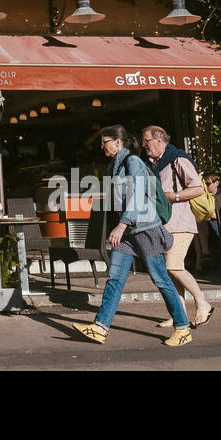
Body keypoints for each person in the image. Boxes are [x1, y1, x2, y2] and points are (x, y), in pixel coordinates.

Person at [73, 126, 192, 347]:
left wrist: (120, 225)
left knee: (160, 279)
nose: (102, 145)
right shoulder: (114, 165)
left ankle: (183, 328)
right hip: (129, 232)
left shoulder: (133, 162)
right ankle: (100, 327)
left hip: (144, 229)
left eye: (105, 141)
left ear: (118, 142)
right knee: (115, 279)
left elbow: (137, 195)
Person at [142, 126, 213, 328]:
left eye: (146, 141)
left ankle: (202, 304)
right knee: (171, 270)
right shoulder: (155, 163)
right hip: (165, 223)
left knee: (173, 266)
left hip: (181, 221)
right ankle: (178, 313)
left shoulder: (178, 159)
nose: (144, 145)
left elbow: (198, 188)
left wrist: (174, 196)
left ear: (159, 140)